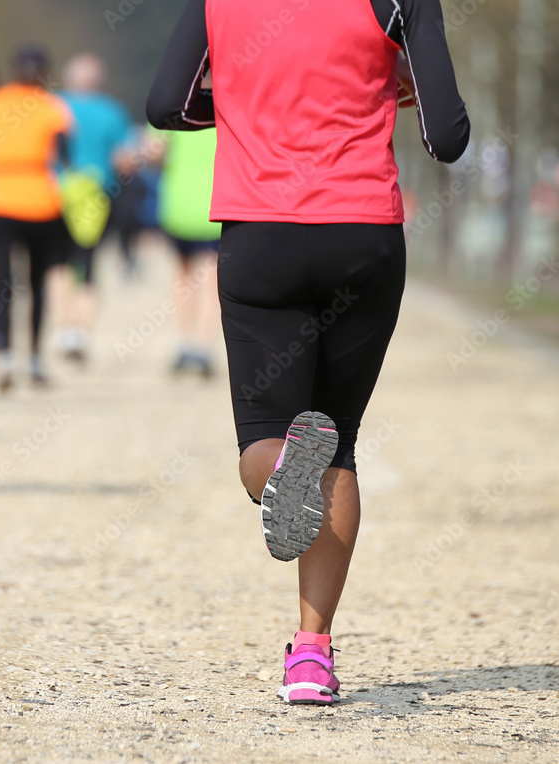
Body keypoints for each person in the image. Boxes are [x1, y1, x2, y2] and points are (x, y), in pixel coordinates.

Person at [147, 0, 469, 705]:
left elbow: (166, 105)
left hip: (260, 235)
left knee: (268, 436)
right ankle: (312, 656)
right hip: (362, 235)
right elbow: (447, 137)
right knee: (338, 447)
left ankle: (281, 468)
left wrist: (241, 95)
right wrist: (391, 85)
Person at [0, 45, 72, 392]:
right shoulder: (52, 106)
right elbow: (65, 154)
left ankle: (5, 354)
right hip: (39, 200)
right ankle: (36, 358)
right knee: (37, 281)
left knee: (2, 280)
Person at [52, 53, 134, 365]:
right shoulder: (112, 112)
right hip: (98, 195)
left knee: (58, 263)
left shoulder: (53, 105)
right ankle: (81, 331)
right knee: (88, 263)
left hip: (58, 192)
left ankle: (62, 327)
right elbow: (124, 159)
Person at [155, 128, 221, 379]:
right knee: (211, 283)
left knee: (182, 278)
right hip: (215, 207)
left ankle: (183, 344)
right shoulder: (227, 112)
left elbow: (155, 151)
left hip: (179, 207)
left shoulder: (175, 113)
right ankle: (203, 348)